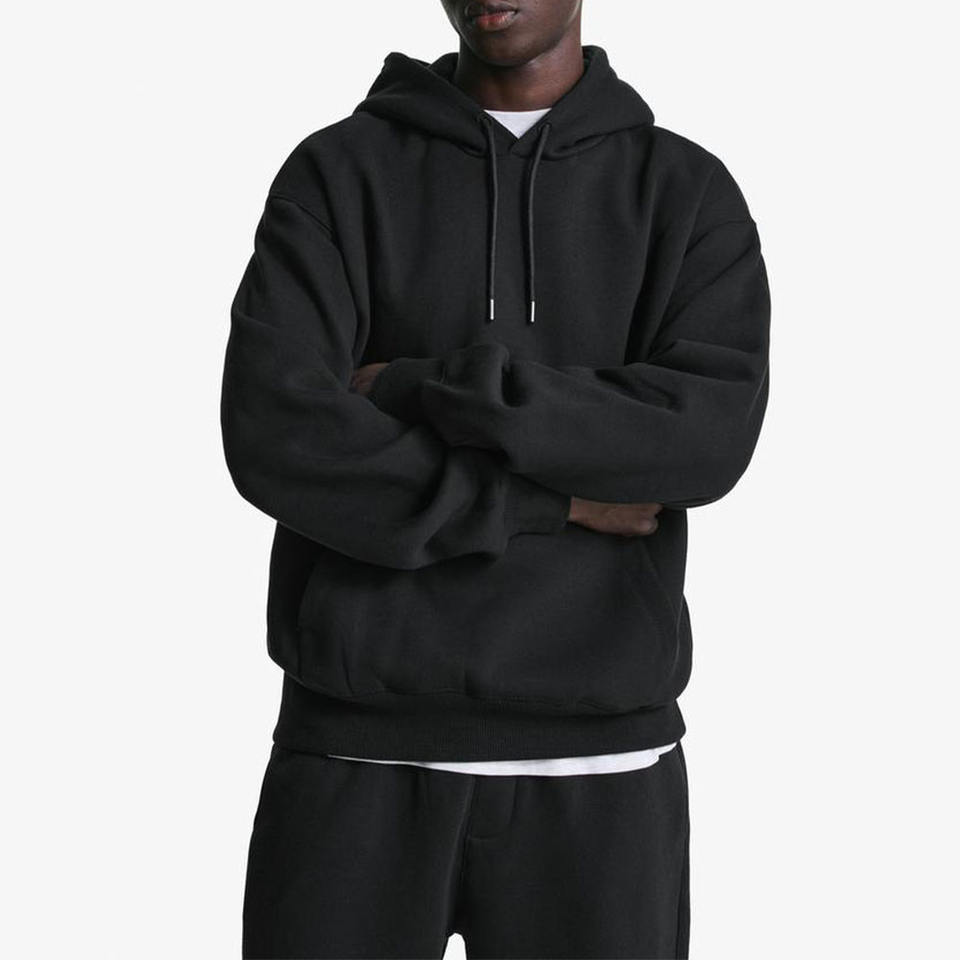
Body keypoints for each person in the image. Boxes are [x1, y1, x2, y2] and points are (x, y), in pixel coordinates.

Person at [221, 0, 770, 956]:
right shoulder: (338, 173)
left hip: (602, 764)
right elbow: (278, 433)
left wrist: (417, 385)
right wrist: (552, 499)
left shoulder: (684, 190)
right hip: (357, 749)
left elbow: (704, 440)